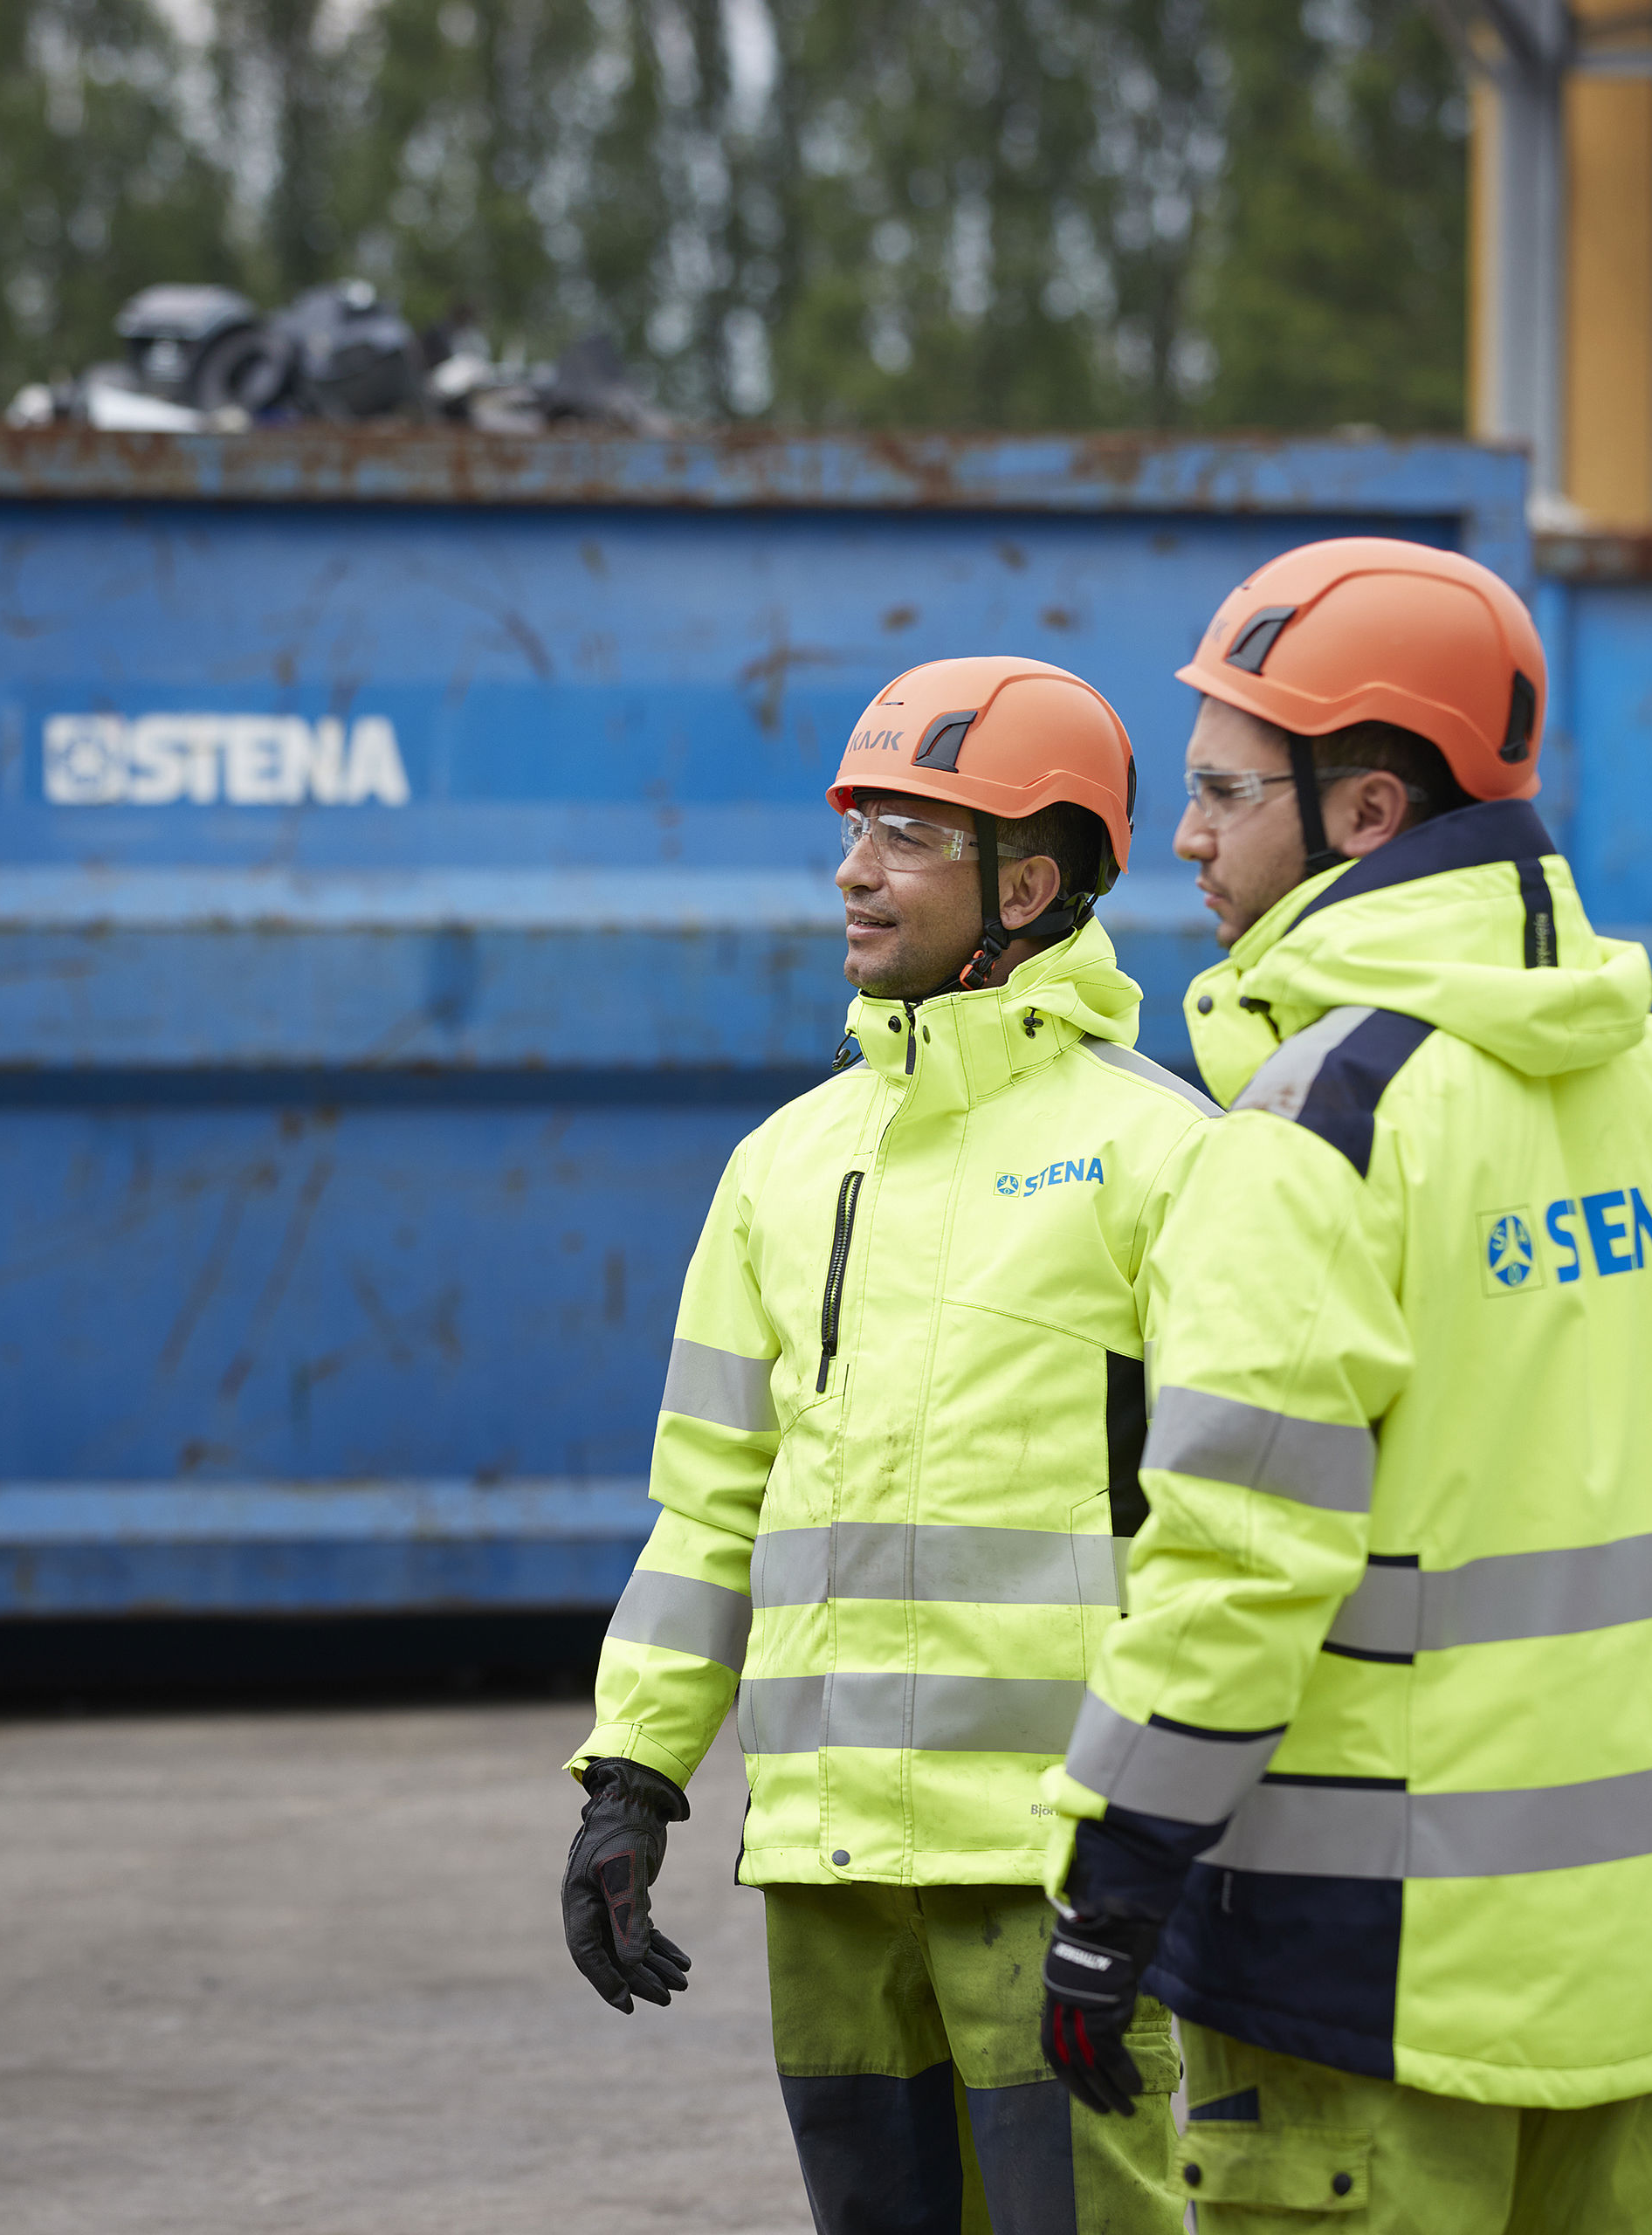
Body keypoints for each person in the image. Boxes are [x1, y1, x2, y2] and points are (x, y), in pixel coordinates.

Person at [1031, 540, 1652, 2232]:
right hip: (1621, 1964)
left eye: (1225, 793)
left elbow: (1242, 1549)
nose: (1185, 838)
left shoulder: (1325, 1117)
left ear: (1366, 811)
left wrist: (1114, 1875)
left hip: (1357, 1984)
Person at [561, 655, 1217, 2235]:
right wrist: (636, 1774)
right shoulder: (783, 1165)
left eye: (910, 835)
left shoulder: (1167, 1159)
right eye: (857, 830)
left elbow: (1235, 1530)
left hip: (1058, 1874)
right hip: (834, 1867)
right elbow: (711, 1505)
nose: (853, 872)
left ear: (1031, 879)